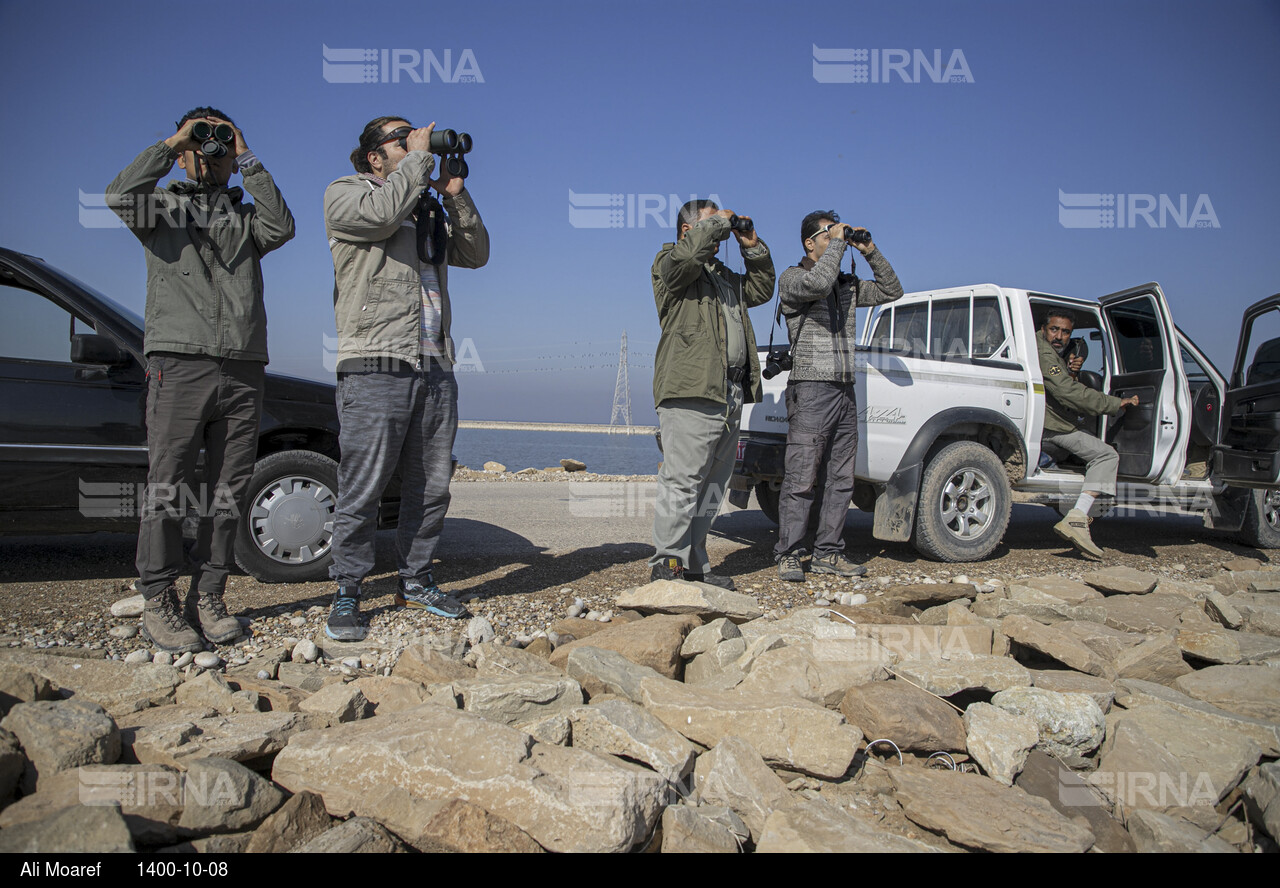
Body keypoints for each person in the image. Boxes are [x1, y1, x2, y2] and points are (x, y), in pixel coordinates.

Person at [106, 107, 295, 652]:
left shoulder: (246, 219)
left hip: (241, 365)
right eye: (204, 137)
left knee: (229, 490)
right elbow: (119, 196)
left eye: (221, 138)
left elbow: (283, 225)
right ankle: (158, 598)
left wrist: (248, 158)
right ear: (187, 147)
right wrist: (172, 143)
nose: (212, 148)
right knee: (167, 484)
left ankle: (209, 594)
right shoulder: (160, 208)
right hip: (180, 361)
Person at [322, 116, 489, 640]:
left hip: (435, 365)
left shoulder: (424, 204)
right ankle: (347, 589)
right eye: (401, 137)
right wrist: (417, 165)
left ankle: (415, 579)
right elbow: (379, 215)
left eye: (416, 136)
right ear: (375, 156)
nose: (415, 141)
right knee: (364, 485)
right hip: (375, 360)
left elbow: (476, 254)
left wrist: (454, 196)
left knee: (431, 485)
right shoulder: (347, 193)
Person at [650, 200, 775, 589]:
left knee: (712, 486)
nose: (721, 229)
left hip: (730, 391)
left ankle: (694, 566)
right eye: (711, 223)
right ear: (688, 230)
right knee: (683, 481)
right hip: (690, 388)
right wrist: (719, 224)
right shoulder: (671, 262)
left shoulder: (723, 276)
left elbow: (762, 289)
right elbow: (685, 260)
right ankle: (667, 566)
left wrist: (752, 245)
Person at [773, 212, 903, 582]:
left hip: (845, 389)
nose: (834, 241)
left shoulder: (847, 285)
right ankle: (790, 553)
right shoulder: (792, 278)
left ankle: (828, 553)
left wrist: (869, 250)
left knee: (841, 479)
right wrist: (838, 243)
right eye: (826, 235)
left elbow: (893, 291)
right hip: (811, 389)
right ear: (808, 244)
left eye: (836, 234)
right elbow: (817, 283)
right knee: (801, 478)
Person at [1038, 308, 1139, 558]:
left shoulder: (1050, 352)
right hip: (1051, 427)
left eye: (1065, 331)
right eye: (1054, 329)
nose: (1059, 336)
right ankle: (1078, 518)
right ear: (1043, 329)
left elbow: (1062, 387)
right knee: (1106, 455)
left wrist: (1072, 370)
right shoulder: (1044, 353)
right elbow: (1067, 392)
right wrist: (1115, 404)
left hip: (1050, 422)